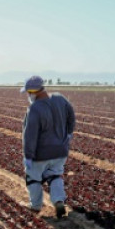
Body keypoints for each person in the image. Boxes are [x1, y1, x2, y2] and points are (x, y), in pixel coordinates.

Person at [21, 75, 76, 218]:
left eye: (28, 93)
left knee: (33, 178)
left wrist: (28, 156)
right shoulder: (60, 98)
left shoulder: (34, 109)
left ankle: (35, 206)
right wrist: (69, 132)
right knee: (55, 175)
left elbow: (30, 135)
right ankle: (58, 200)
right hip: (60, 150)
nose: (28, 95)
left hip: (41, 153)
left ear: (34, 92)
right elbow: (71, 115)